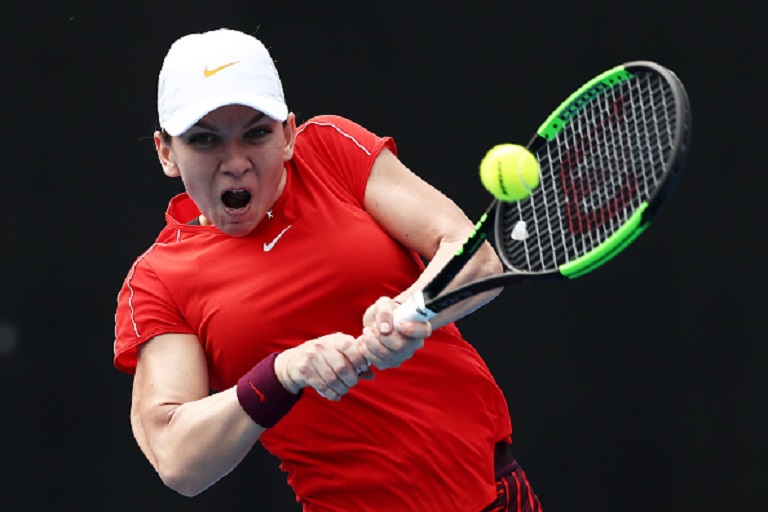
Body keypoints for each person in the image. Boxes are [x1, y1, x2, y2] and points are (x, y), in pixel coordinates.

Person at [113, 28, 542, 512]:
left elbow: (475, 255)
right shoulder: (157, 281)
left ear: (290, 135)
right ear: (166, 152)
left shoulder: (331, 153)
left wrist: (410, 310)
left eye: (257, 133)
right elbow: (175, 457)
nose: (235, 163)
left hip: (493, 494)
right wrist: (282, 373)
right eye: (205, 140)